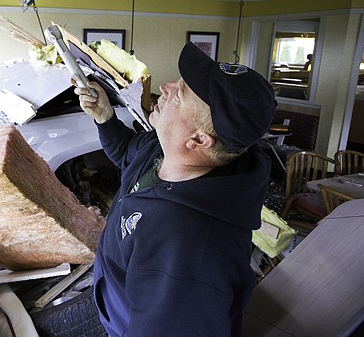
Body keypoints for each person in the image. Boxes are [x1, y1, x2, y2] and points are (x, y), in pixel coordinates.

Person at [75, 42, 276, 337]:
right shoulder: (162, 149)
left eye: (179, 95)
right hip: (117, 300)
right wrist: (105, 117)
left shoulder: (191, 254)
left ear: (198, 140)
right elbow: (128, 153)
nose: (166, 87)